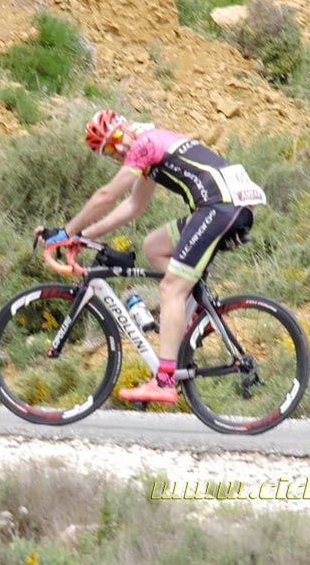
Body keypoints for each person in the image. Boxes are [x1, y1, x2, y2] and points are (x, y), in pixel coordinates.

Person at [38, 110, 266, 404]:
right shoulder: (152, 145)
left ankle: (164, 381)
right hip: (221, 207)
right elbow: (133, 206)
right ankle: (190, 316)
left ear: (126, 129)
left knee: (170, 288)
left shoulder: (144, 143)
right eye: (108, 151)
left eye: (116, 140)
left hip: (219, 207)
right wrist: (86, 236)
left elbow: (107, 195)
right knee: (153, 247)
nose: (118, 150)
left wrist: (66, 231)